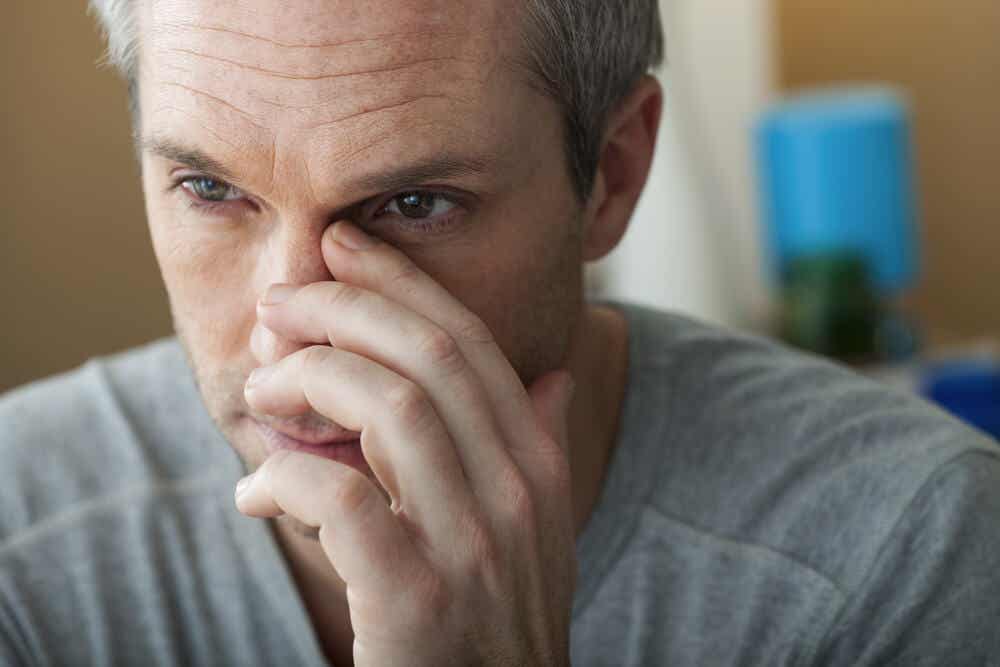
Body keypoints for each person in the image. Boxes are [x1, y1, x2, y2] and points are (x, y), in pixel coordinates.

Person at [2, 0, 998, 664]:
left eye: (414, 205)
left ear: (611, 175)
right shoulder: (21, 551)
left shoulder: (905, 554)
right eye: (210, 188)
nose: (290, 343)